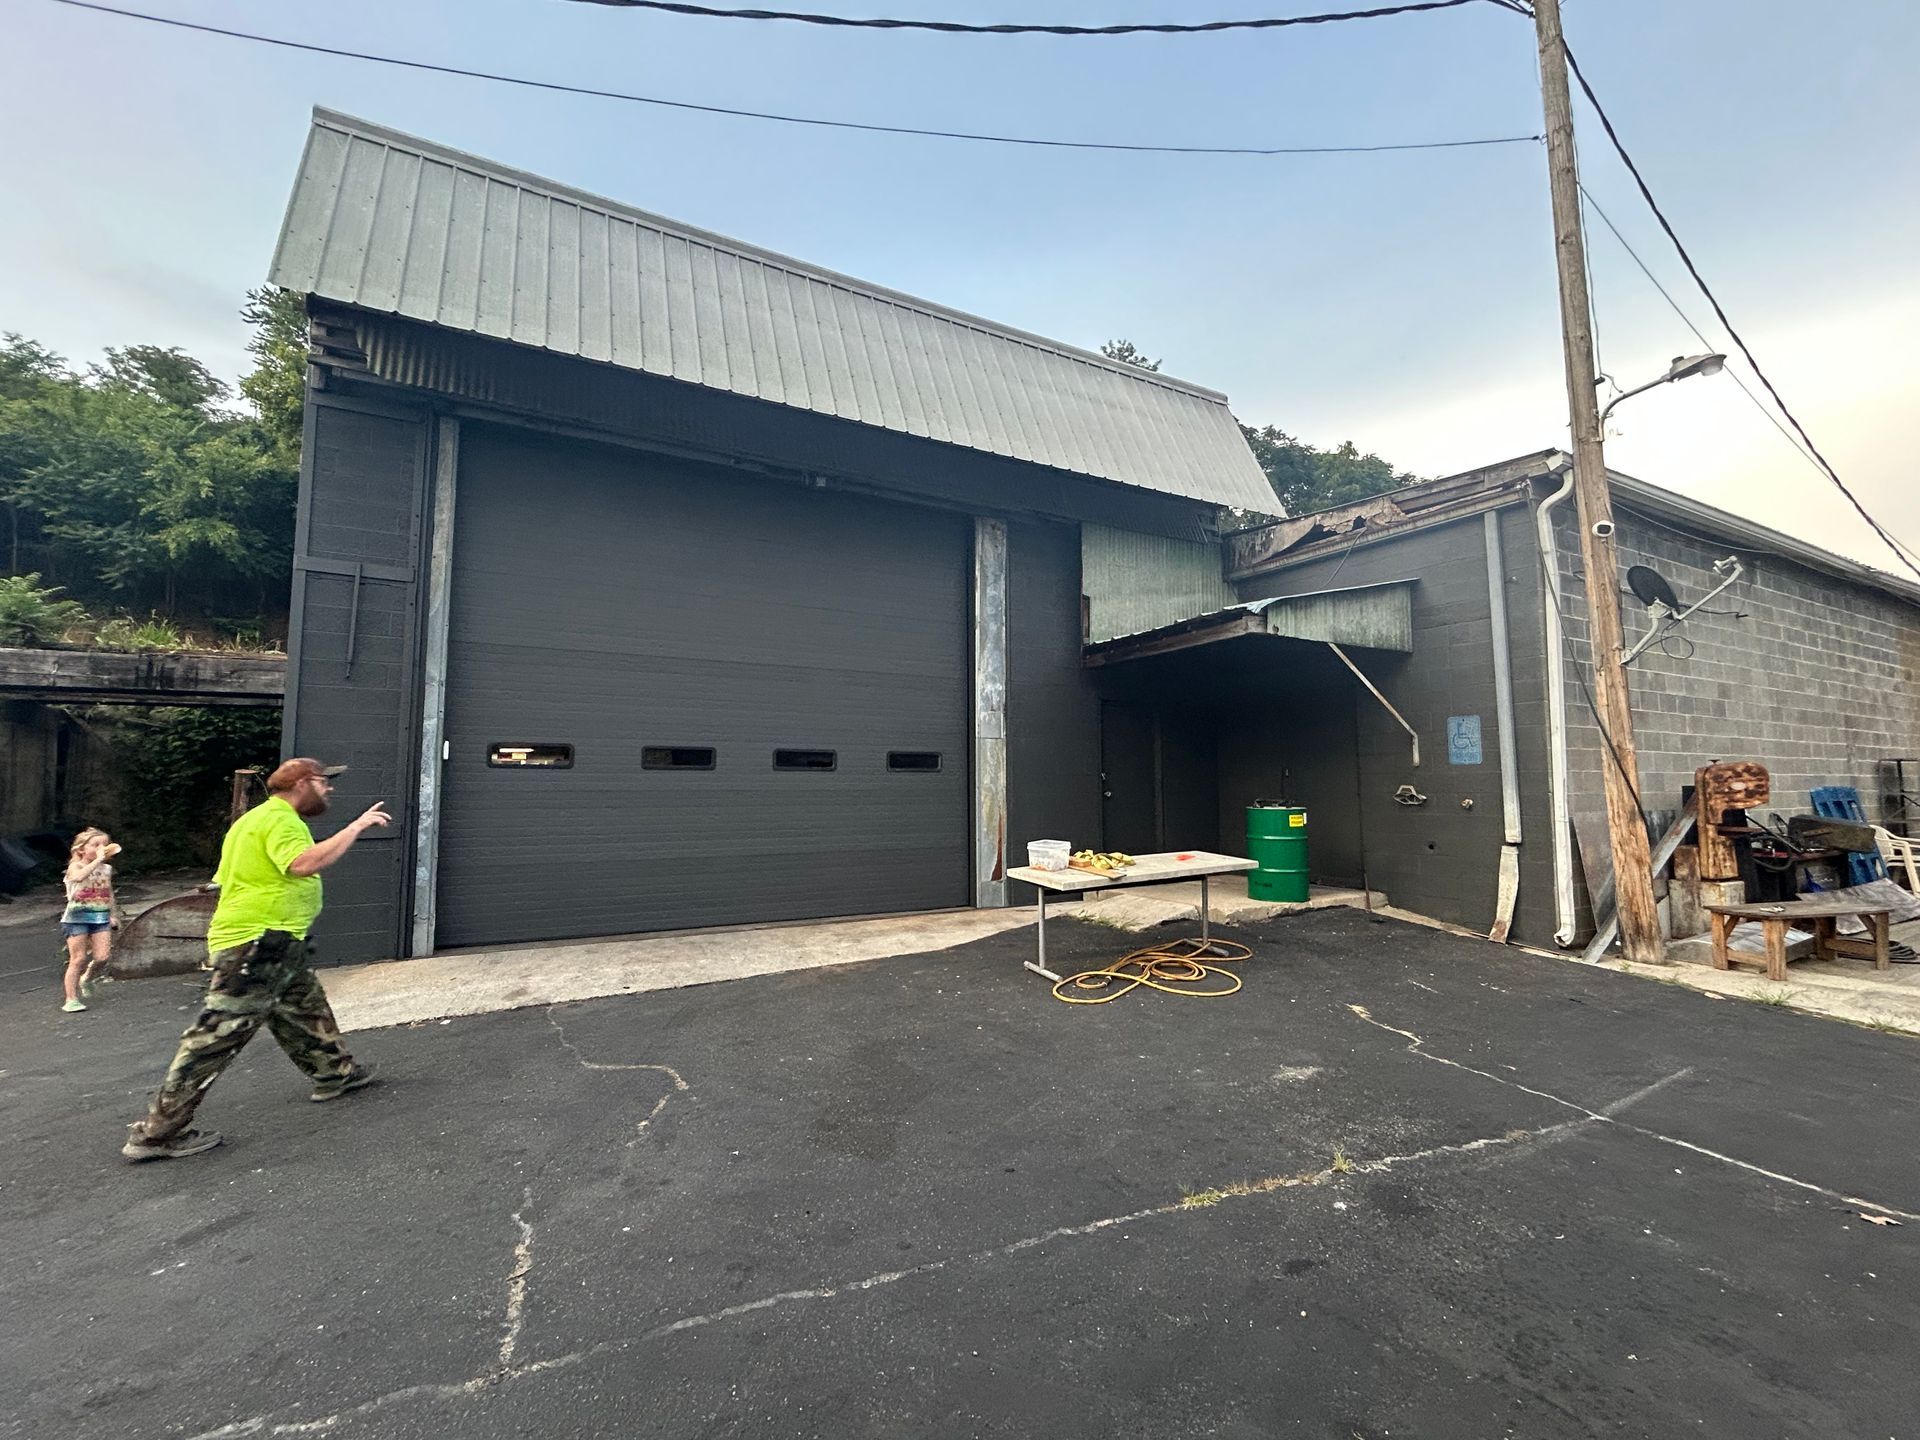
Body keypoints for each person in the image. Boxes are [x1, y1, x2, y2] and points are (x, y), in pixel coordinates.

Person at [121, 758, 391, 1163]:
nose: (329, 789)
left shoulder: (250, 822)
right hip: (258, 943)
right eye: (324, 781)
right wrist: (355, 827)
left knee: (302, 1006)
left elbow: (226, 879)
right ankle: (157, 1132)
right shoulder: (281, 820)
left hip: (275, 940)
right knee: (218, 1033)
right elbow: (302, 864)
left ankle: (334, 1074)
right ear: (302, 783)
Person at [60, 828, 121, 1013]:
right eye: (95, 845)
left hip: (100, 916)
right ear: (81, 850)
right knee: (78, 958)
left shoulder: (106, 869)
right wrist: (97, 860)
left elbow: (108, 892)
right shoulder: (75, 866)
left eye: (104, 844)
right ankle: (70, 998)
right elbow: (79, 877)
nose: (101, 848)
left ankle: (87, 978)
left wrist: (113, 914)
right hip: (77, 917)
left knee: (102, 957)